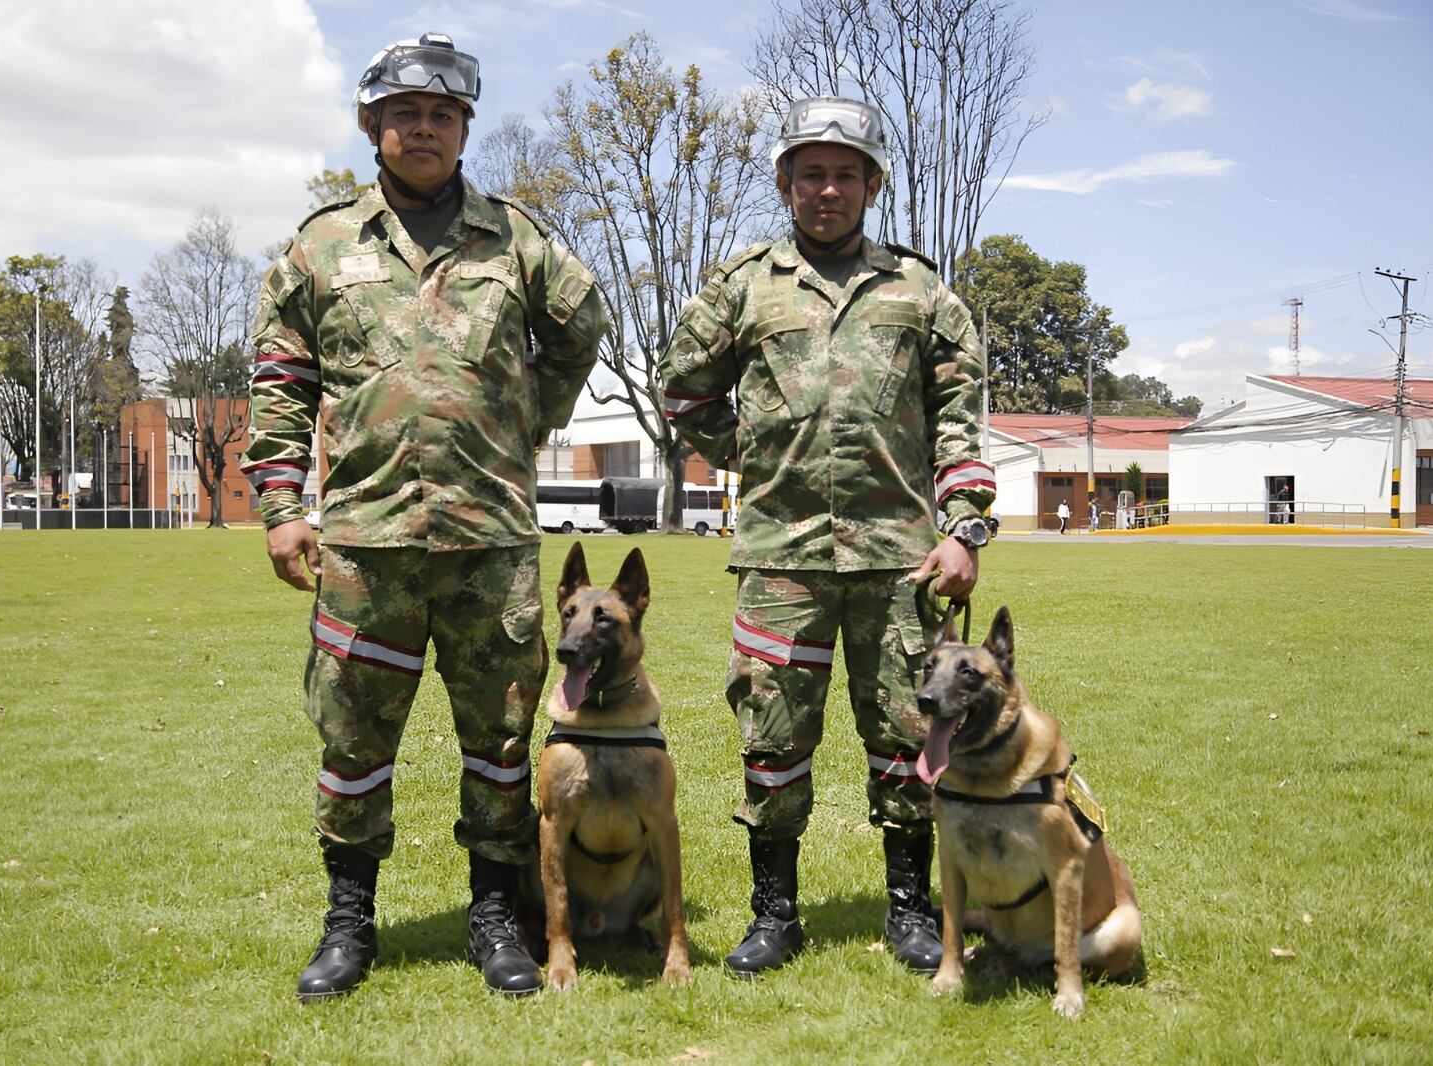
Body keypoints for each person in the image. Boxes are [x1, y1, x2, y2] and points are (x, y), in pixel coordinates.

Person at [243, 33, 607, 1001]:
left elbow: (582, 321)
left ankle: (495, 914)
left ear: (464, 128)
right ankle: (348, 919)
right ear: (371, 125)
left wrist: (528, 410)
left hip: (491, 543)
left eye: (441, 114)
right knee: (352, 743)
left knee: (498, 740)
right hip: (366, 543)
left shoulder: (513, 237)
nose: (422, 128)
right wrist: (282, 506)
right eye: (403, 112)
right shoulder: (323, 246)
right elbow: (279, 379)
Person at [659, 96, 995, 979]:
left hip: (901, 557)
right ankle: (775, 913)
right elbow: (683, 390)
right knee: (771, 738)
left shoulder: (920, 292)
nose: (828, 188)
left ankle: (911, 910)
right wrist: (756, 456)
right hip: (782, 556)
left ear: (873, 184)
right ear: (785, 182)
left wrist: (964, 529)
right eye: (811, 172)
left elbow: (960, 416)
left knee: (907, 732)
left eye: (846, 173)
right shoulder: (742, 286)